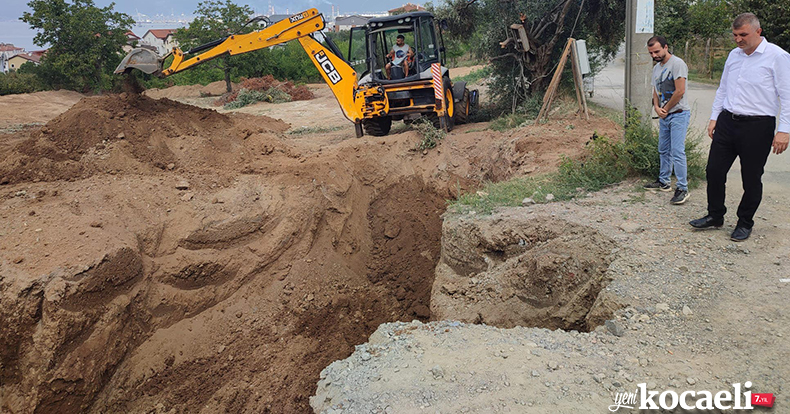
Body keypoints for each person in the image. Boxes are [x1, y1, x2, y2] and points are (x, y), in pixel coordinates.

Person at [689, 13, 790, 241]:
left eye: (743, 35)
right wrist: (715, 117)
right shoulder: (734, 56)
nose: (737, 40)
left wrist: (784, 130)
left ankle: (745, 222)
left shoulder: (778, 57)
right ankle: (715, 215)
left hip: (758, 126)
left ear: (758, 31)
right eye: (734, 35)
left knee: (751, 178)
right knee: (714, 171)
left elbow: (787, 96)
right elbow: (723, 89)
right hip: (727, 121)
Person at [644, 35, 691, 205]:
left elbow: (680, 91)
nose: (654, 55)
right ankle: (664, 181)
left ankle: (682, 188)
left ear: (665, 47)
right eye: (651, 53)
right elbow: (655, 91)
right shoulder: (657, 68)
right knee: (663, 149)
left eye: (656, 51)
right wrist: (657, 107)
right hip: (665, 114)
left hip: (678, 113)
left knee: (677, 151)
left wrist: (666, 109)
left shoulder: (677, 64)